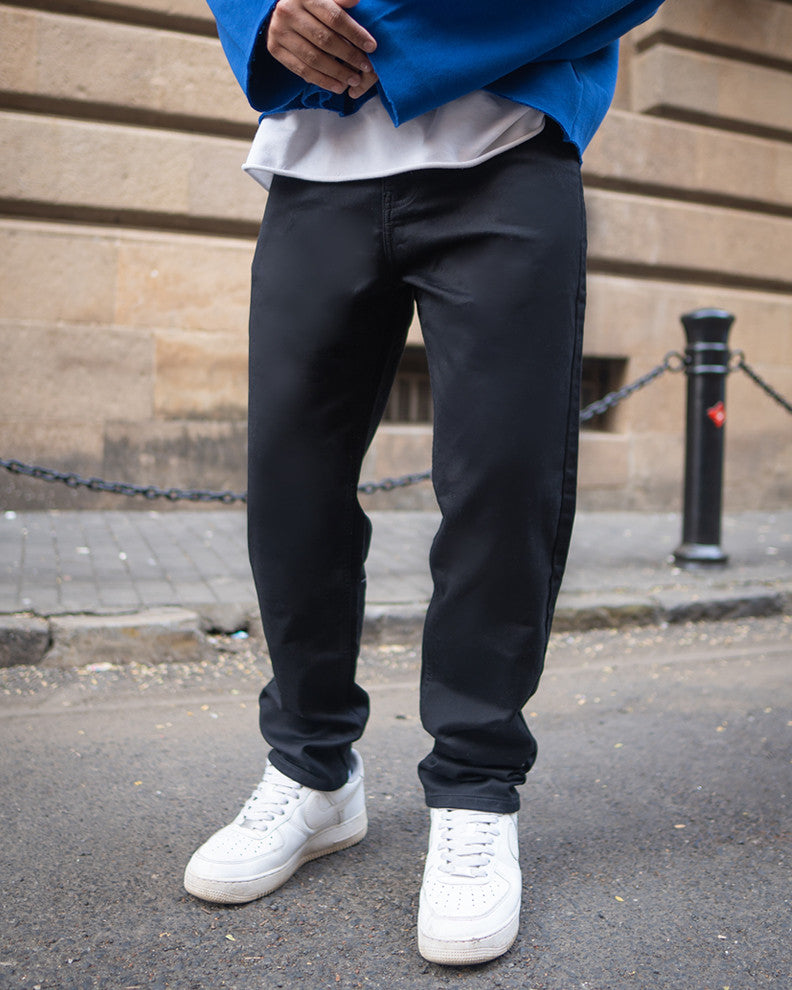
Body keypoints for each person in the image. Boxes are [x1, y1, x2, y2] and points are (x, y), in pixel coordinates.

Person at [184, 0, 663, 965]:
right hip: (316, 165)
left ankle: (475, 789)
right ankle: (314, 772)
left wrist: (388, 30)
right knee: (291, 482)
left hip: (505, 151)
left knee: (501, 483)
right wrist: (263, 16)